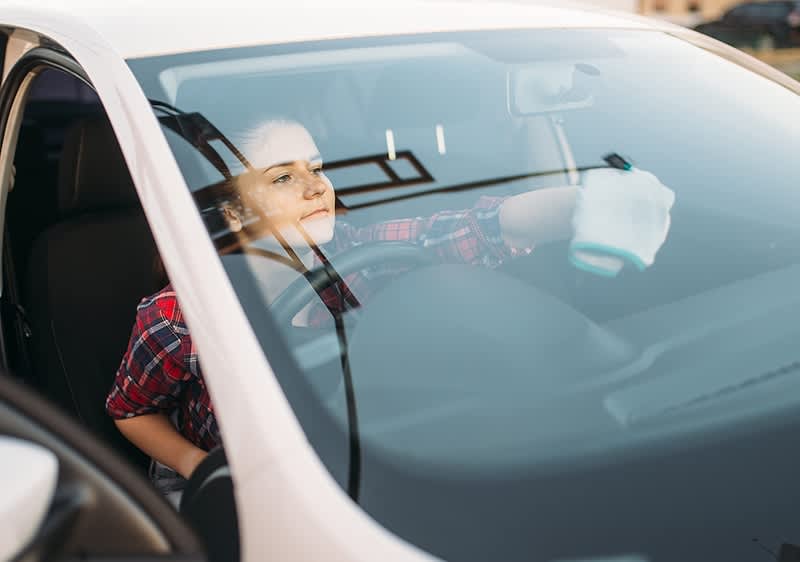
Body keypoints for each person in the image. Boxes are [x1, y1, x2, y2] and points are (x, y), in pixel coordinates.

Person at [105, 118, 673, 498]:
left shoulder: (357, 253)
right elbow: (131, 410)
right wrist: (195, 466)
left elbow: (467, 229)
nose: (315, 187)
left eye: (317, 167)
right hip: (232, 475)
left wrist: (585, 202)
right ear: (231, 214)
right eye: (283, 177)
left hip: (357, 458)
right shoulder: (176, 317)